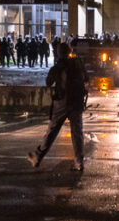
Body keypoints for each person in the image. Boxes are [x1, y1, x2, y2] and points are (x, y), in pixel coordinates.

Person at [27, 42, 89, 171]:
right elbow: (86, 79)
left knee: (52, 131)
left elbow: (48, 82)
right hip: (76, 102)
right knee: (77, 133)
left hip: (62, 102)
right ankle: (79, 162)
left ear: (58, 53)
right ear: (70, 51)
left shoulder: (58, 66)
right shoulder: (78, 64)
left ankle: (38, 156)